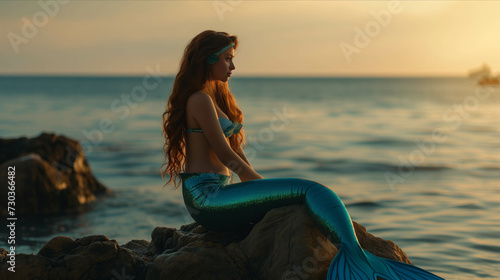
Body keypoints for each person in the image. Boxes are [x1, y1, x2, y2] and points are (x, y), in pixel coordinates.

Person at [161, 30, 444, 280]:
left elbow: (236, 151)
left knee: (298, 197)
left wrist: (261, 187)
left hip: (217, 193)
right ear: (208, 59)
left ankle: (355, 256)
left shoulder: (213, 96)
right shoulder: (198, 99)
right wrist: (261, 186)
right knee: (308, 190)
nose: (233, 65)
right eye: (226, 58)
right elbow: (225, 154)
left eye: (232, 58)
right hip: (207, 198)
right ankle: (354, 255)